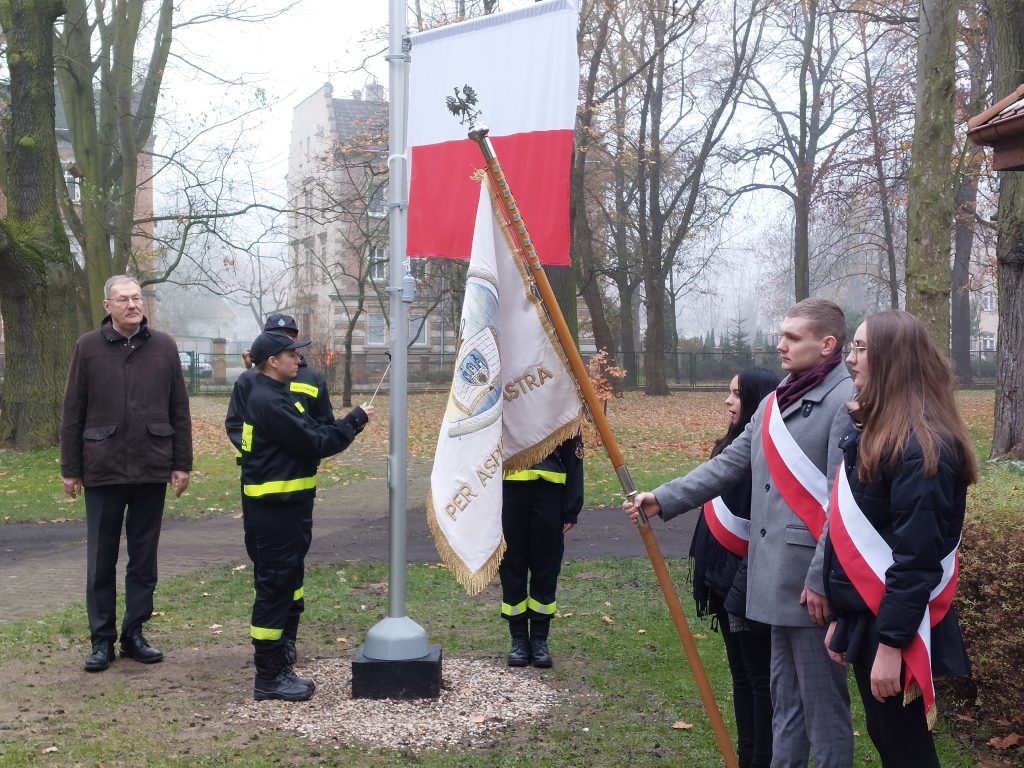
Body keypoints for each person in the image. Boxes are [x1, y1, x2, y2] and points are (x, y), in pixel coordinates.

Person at [625, 297, 855, 768]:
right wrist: (664, 497)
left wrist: (820, 578)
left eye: (793, 337)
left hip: (809, 587)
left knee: (825, 710)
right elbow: (730, 463)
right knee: (785, 706)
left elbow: (839, 504)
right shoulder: (777, 399)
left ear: (827, 344)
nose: (781, 345)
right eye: (781, 335)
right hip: (773, 578)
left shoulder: (843, 402)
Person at [824, 311, 974, 767]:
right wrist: (845, 616)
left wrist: (891, 646)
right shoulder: (881, 431)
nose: (851, 358)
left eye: (862, 349)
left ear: (892, 359)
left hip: (898, 624)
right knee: (887, 735)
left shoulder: (921, 446)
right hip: (875, 616)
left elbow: (915, 560)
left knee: (905, 747)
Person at [60, 275, 193, 672]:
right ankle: (101, 640)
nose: (133, 304)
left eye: (137, 298)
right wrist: (71, 469)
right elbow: (73, 411)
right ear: (108, 306)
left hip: (152, 466)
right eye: (123, 299)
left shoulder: (165, 347)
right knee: (101, 561)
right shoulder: (88, 347)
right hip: (102, 468)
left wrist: (181, 463)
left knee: (143, 559)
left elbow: (179, 410)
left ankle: (135, 633)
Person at [236, 330, 374, 702]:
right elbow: (314, 442)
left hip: (286, 508)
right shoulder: (269, 401)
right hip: (274, 512)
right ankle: (268, 676)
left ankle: (278, 666)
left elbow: (313, 430)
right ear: (272, 362)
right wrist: (355, 422)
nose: (299, 360)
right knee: (275, 588)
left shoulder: (277, 395)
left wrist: (345, 423)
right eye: (291, 354)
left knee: (282, 585)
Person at [225, 313, 334, 666]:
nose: (292, 350)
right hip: (263, 485)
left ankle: (288, 634)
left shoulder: (312, 379)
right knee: (269, 564)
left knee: (290, 567)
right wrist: (260, 451)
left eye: (291, 338)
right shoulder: (250, 383)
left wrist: (304, 447)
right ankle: (271, 648)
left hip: (296, 486)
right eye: (282, 340)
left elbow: (321, 427)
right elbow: (237, 425)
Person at [688, 367, 779, 768]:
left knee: (761, 679)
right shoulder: (728, 446)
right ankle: (745, 756)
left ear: (758, 401)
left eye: (737, 394)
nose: (728, 401)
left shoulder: (765, 456)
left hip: (750, 581)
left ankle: (762, 758)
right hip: (723, 580)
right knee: (741, 675)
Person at [500, 433, 584, 669]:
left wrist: (571, 508)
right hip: (508, 489)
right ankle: (518, 640)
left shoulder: (562, 400)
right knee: (511, 565)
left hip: (550, 493)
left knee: (546, 567)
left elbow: (575, 455)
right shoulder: (507, 396)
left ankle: (539, 640)